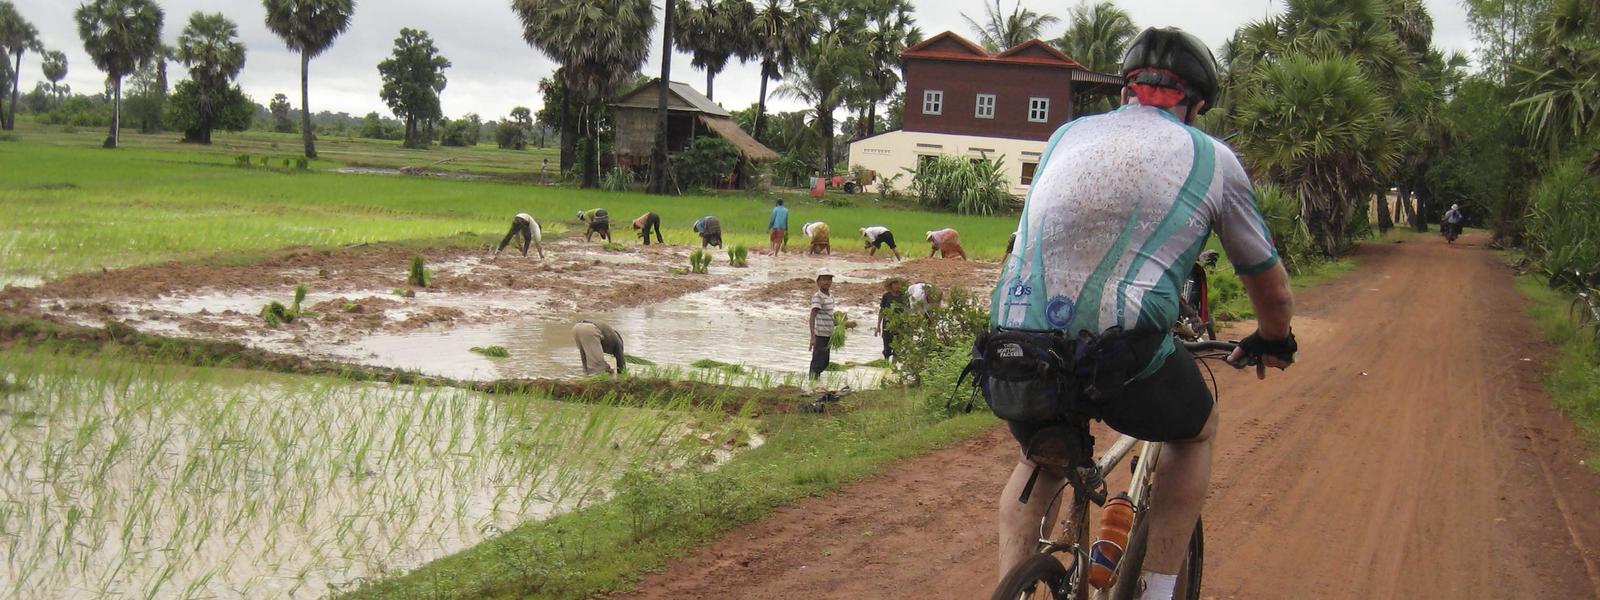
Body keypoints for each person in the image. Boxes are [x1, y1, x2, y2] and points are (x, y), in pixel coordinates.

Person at [992, 28, 1297, 600]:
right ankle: (1159, 591)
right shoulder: (1212, 157)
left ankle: (1012, 587)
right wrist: (1274, 337)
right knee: (1196, 430)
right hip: (1121, 349)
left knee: (1040, 463)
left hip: (1016, 346)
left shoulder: (1066, 136)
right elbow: (1268, 284)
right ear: (1197, 101)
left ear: (1127, 88)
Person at [808, 269, 837, 381]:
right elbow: (812, 316)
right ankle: (812, 384)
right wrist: (812, 336)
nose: (827, 282)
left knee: (825, 362)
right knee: (817, 362)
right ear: (818, 281)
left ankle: (816, 381)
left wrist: (838, 323)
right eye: (824, 279)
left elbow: (830, 315)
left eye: (829, 279)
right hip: (820, 334)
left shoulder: (830, 296)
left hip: (829, 334)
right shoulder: (818, 297)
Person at [875, 278, 907, 360]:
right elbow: (882, 311)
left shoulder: (903, 296)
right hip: (887, 325)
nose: (897, 286)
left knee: (897, 348)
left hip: (900, 325)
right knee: (887, 348)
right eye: (895, 284)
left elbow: (907, 311)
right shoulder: (886, 296)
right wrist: (878, 326)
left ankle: (893, 367)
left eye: (898, 284)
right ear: (891, 285)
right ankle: (886, 365)